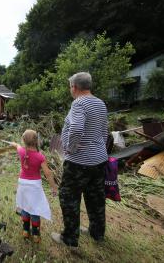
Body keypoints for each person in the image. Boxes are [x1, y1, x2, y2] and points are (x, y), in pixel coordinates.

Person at [51, 72, 108, 247]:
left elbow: (75, 129)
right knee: (96, 197)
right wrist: (99, 149)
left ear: (75, 87)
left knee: (68, 198)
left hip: (79, 162)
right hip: (99, 160)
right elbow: (104, 131)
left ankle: (69, 238)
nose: (70, 90)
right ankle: (97, 233)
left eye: (70, 86)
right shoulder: (100, 103)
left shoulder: (79, 103)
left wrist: (70, 147)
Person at [8, 129, 58, 243]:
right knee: (35, 209)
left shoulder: (22, 152)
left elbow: (17, 146)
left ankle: (25, 231)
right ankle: (36, 235)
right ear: (37, 141)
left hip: (23, 183)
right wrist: (54, 187)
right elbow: (48, 173)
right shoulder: (40, 156)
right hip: (34, 186)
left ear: (24, 141)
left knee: (24, 207)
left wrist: (13, 144)